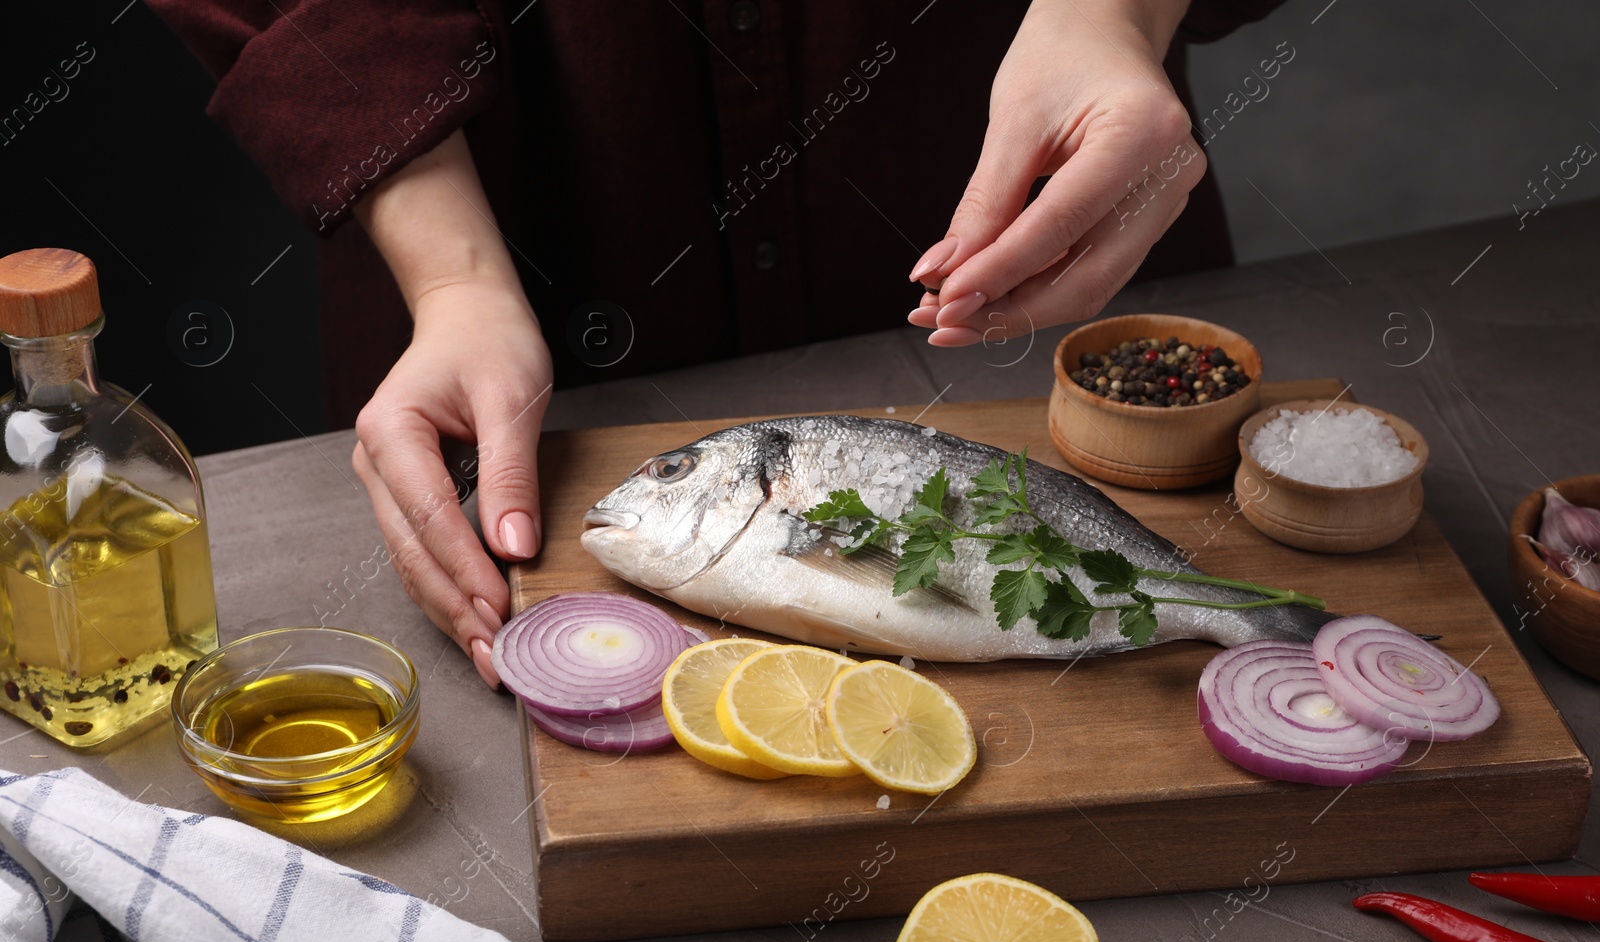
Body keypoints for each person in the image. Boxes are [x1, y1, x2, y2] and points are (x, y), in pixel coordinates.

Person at [151, 0, 1283, 686]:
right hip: (514, 210)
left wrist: (1111, 17)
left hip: (1018, 171)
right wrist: (451, 277)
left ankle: (1251, 630)